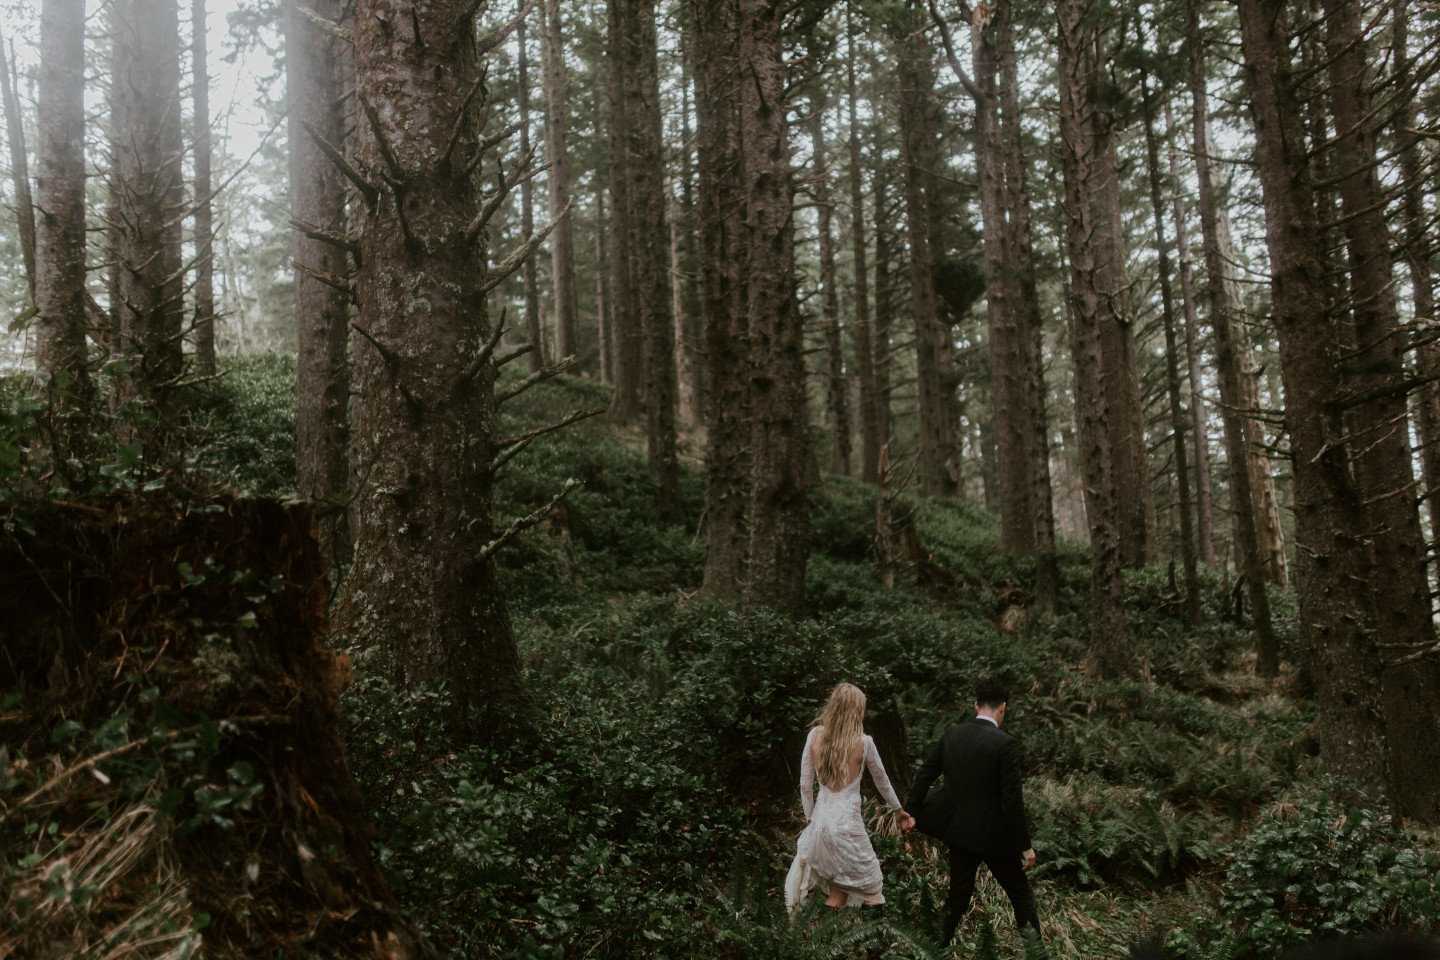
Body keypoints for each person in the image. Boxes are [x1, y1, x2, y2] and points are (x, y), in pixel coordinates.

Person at [905, 677, 1043, 948]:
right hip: (996, 839)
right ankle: (1036, 954)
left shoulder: (952, 734)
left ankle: (934, 952)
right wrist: (1024, 846)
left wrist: (912, 812)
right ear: (1003, 708)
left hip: (961, 833)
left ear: (976, 704)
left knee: (958, 897)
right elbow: (1012, 800)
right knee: (1021, 896)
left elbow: (925, 774)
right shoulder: (1006, 744)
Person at [785, 682, 915, 910]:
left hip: (821, 828)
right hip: (848, 827)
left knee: (838, 894)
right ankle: (873, 943)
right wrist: (897, 810)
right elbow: (882, 781)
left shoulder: (814, 735)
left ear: (832, 706)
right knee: (873, 888)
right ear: (858, 711)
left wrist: (810, 821)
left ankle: (829, 943)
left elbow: (805, 786)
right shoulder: (864, 743)